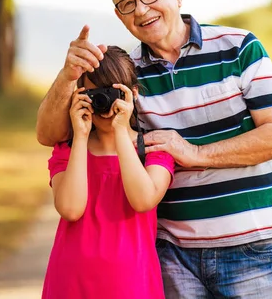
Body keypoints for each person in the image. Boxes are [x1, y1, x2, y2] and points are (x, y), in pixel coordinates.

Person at [37, 0, 272, 298]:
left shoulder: (239, 46)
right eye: (128, 3)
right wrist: (67, 76)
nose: (142, 10)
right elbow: (49, 134)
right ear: (120, 16)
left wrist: (193, 153)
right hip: (171, 256)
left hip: (250, 244)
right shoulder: (124, 73)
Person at [41, 45, 175, 299]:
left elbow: (143, 200)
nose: (103, 102)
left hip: (132, 284)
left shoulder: (155, 149)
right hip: (70, 283)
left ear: (132, 94)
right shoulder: (67, 151)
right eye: (94, 93)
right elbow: (71, 209)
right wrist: (79, 136)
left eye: (111, 92)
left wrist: (121, 132)